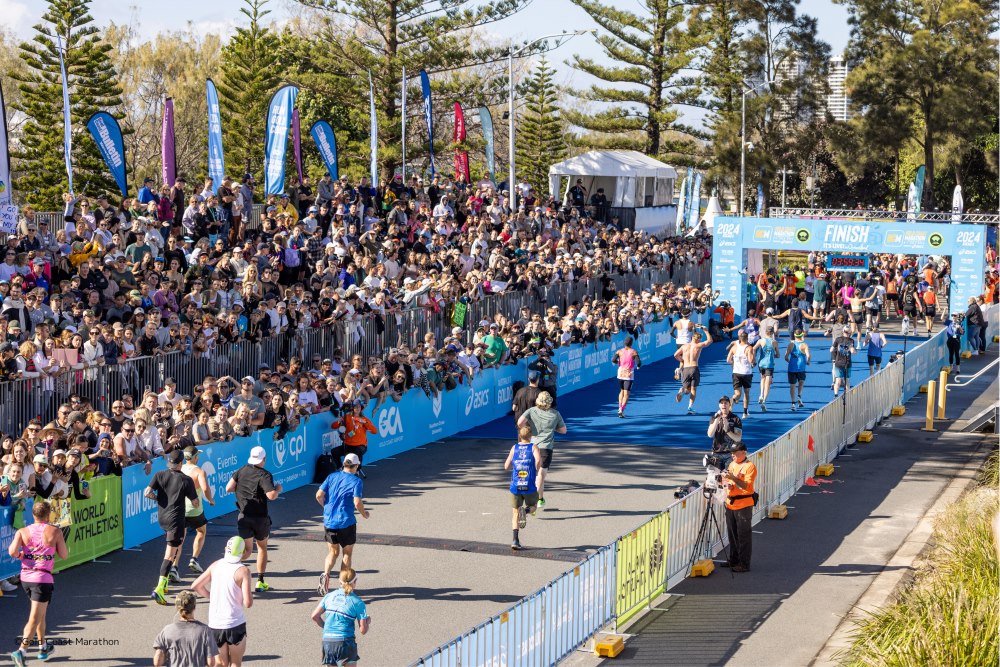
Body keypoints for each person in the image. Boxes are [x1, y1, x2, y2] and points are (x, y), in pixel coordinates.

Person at [8, 500, 68, 667]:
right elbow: (64, 555)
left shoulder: (22, 531)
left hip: (26, 578)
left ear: (33, 515)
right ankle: (21, 651)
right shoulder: (55, 531)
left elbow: (12, 551)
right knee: (34, 618)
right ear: (48, 515)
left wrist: (22, 556)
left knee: (40, 613)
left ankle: (43, 647)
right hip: (42, 579)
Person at [191, 536, 254, 667]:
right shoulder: (244, 571)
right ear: (243, 553)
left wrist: (211, 596)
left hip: (215, 624)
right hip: (235, 624)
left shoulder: (215, 565)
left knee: (220, 664)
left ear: (226, 549)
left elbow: (196, 586)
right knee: (235, 663)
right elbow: (248, 603)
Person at [146, 449, 198, 605]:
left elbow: (147, 492)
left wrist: (158, 499)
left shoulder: (159, 474)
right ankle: (159, 589)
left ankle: (165, 585)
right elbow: (195, 503)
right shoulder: (186, 480)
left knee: (172, 550)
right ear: (181, 463)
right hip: (176, 521)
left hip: (162, 518)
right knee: (170, 555)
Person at [226, 446, 281, 592]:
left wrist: (241, 490)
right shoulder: (265, 475)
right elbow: (271, 496)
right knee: (262, 547)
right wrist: (278, 489)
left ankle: (228, 569)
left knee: (247, 551)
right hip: (260, 518)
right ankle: (260, 582)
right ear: (264, 459)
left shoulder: (242, 470)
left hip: (244, 516)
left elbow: (228, 488)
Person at [315, 452, 370, 596]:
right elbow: (357, 502)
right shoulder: (357, 481)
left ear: (344, 464)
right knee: (347, 554)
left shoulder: (332, 476)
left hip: (329, 521)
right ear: (356, 466)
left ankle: (325, 575)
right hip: (346, 522)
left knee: (332, 552)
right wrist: (364, 514)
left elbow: (318, 495)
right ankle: (343, 585)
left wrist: (326, 508)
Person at [515, 391, 566, 509]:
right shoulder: (555, 414)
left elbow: (520, 423)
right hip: (546, 448)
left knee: (531, 474)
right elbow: (563, 430)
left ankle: (539, 499)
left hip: (532, 446)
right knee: (540, 476)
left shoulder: (531, 411)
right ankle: (534, 502)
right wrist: (553, 428)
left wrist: (529, 429)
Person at [311, 568, 370, 667]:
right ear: (355, 582)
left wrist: (327, 627)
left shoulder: (329, 596)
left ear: (339, 581)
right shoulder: (358, 602)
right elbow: (363, 630)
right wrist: (367, 621)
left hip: (328, 641)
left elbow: (314, 616)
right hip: (346, 642)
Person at [152, 590, 220, 667]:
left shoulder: (167, 630)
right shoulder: (205, 630)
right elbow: (211, 662)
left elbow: (157, 662)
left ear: (177, 607)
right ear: (194, 607)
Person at [504, 424, 541, 550]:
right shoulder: (533, 447)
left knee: (515, 513)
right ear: (531, 436)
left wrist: (515, 464)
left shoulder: (514, 447)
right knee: (534, 506)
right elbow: (538, 461)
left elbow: (506, 466)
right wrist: (536, 469)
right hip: (529, 485)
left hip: (516, 485)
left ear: (520, 436)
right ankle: (526, 511)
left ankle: (515, 540)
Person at [180, 446, 216, 574]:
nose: (198, 457)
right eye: (197, 455)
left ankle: (174, 567)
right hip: (195, 510)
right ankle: (194, 559)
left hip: (180, 509)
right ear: (195, 457)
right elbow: (205, 488)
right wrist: (210, 500)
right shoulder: (199, 471)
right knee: (201, 531)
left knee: (179, 539)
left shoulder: (178, 469)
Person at [722, 441, 757, 572]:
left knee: (743, 535)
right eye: (732, 453)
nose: (733, 456)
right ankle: (734, 559)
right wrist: (728, 484)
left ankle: (744, 564)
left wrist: (733, 478)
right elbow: (730, 481)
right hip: (731, 504)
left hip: (743, 505)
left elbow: (746, 485)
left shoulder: (750, 466)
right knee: (732, 534)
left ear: (743, 453)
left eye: (735, 453)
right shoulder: (732, 464)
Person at [330, 400, 377, 477]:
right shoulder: (347, 417)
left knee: (356, 453)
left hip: (360, 445)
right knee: (334, 451)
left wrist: (365, 423)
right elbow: (333, 426)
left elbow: (374, 431)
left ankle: (356, 471)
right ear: (352, 408)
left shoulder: (364, 419)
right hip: (348, 445)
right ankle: (340, 469)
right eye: (355, 407)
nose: (357, 408)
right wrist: (339, 422)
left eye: (359, 407)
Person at [673, 325, 712, 414]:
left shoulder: (684, 346)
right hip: (694, 368)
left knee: (687, 389)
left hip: (685, 369)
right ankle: (690, 407)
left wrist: (682, 360)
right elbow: (710, 341)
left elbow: (675, 355)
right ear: (699, 339)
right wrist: (706, 330)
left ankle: (682, 392)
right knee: (693, 390)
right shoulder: (698, 345)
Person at [611, 335, 642, 418]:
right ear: (631, 343)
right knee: (626, 393)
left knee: (621, 391)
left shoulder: (619, 351)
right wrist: (638, 366)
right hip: (628, 374)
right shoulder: (634, 352)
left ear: (624, 343)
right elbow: (638, 362)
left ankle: (619, 407)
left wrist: (619, 362)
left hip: (620, 373)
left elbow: (613, 360)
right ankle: (621, 409)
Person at [727, 330, 755, 419]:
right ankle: (745, 413)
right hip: (746, 373)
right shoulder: (749, 348)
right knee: (746, 393)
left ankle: (732, 400)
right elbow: (751, 360)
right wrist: (754, 362)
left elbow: (728, 360)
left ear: (739, 338)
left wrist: (735, 363)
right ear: (747, 338)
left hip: (736, 373)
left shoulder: (734, 347)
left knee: (737, 394)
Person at [752, 326, 778, 411]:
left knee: (762, 378)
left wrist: (754, 358)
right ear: (773, 333)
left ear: (765, 332)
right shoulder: (774, 342)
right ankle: (764, 401)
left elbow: (753, 348)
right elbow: (778, 354)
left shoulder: (761, 341)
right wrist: (774, 354)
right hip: (769, 364)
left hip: (761, 364)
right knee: (768, 383)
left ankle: (761, 395)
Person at [785, 330, 811, 411]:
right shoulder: (804, 345)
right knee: (801, 382)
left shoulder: (790, 345)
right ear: (801, 335)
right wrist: (808, 362)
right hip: (801, 368)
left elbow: (786, 357)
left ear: (794, 335)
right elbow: (808, 356)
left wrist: (790, 362)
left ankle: (793, 404)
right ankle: (799, 396)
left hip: (792, 368)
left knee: (792, 386)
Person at [831, 328, 856, 396]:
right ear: (850, 332)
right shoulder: (851, 341)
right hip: (847, 363)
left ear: (843, 331)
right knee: (847, 381)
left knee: (838, 381)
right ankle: (848, 396)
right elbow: (852, 351)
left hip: (838, 363)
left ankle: (836, 395)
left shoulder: (838, 339)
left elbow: (831, 349)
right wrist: (855, 351)